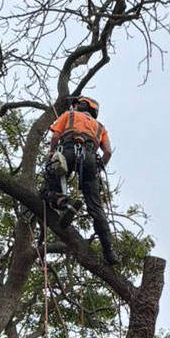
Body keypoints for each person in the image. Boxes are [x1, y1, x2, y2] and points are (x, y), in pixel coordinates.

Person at [42, 94, 117, 265]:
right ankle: (109, 252)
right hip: (91, 159)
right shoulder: (100, 127)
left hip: (67, 151)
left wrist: (51, 153)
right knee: (96, 207)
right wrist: (98, 168)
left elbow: (55, 137)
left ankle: (66, 203)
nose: (74, 107)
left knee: (48, 189)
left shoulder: (69, 116)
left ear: (82, 105)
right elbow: (107, 152)